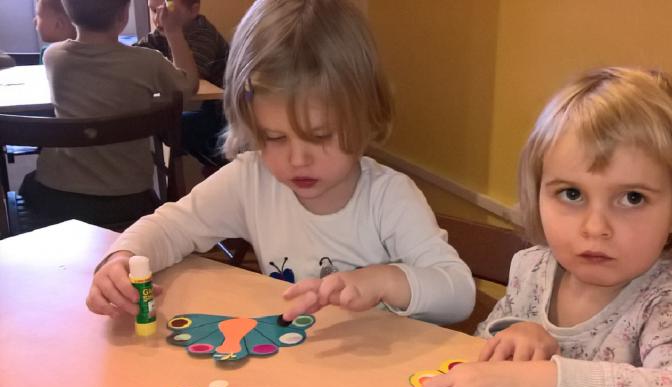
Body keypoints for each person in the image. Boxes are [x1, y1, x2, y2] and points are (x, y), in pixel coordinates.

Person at [86, 0, 475, 326]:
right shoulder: (251, 179)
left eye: (321, 136)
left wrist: (385, 280)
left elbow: (458, 293)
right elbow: (171, 226)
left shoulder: (389, 197)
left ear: (366, 116)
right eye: (274, 137)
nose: (298, 159)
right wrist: (123, 259)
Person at [415, 67, 672, 387]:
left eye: (632, 198)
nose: (595, 227)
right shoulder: (532, 271)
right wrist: (510, 337)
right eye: (571, 194)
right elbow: (484, 373)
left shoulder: (670, 305)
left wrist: (528, 382)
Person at [19, 0, 198, 227]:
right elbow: (188, 86)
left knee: (28, 185)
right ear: (123, 17)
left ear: (70, 16)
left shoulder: (54, 57)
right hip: (131, 197)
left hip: (59, 198)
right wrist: (173, 31)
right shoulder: (148, 62)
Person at [136, 0, 230, 169]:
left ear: (194, 10)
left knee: (159, 125)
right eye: (153, 11)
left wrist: (174, 34)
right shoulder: (160, 34)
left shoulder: (202, 33)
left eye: (167, 11)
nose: (158, 18)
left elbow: (188, 80)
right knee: (155, 123)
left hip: (221, 118)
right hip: (197, 109)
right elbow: (134, 56)